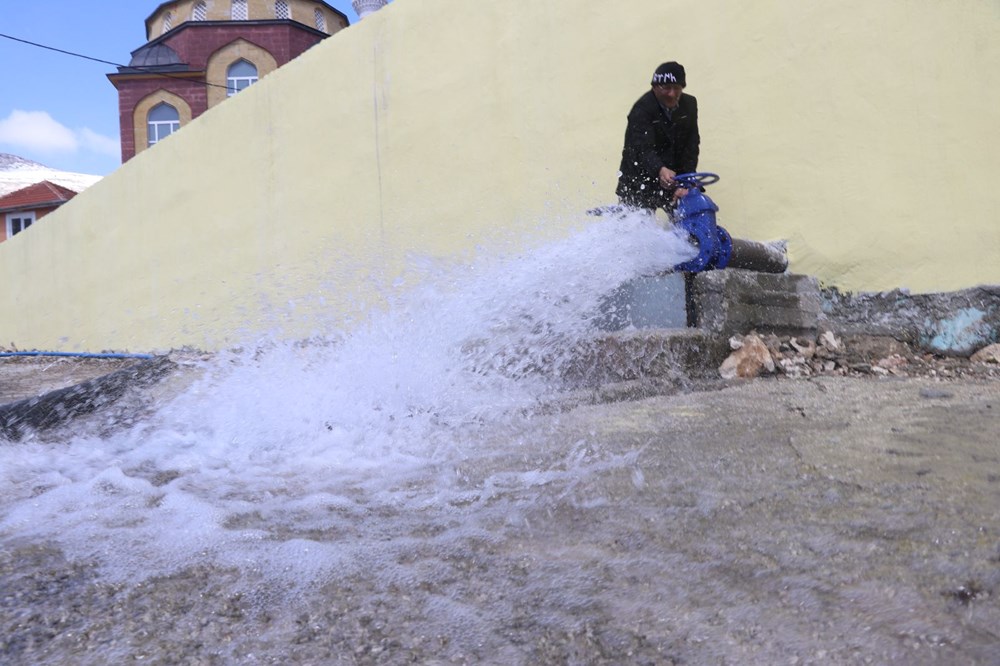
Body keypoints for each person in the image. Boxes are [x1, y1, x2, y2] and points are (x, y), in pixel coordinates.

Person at [616, 61, 700, 215]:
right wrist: (660, 169)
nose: (672, 93)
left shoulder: (690, 104)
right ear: (655, 87)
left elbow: (691, 145)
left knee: (690, 219)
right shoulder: (641, 109)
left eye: (677, 88)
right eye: (666, 88)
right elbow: (642, 149)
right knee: (635, 229)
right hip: (638, 180)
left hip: (674, 178)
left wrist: (687, 182)